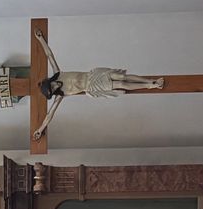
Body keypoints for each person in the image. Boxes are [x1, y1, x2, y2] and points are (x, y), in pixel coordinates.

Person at [31, 29, 163, 141]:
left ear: (51, 80)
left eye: (52, 85)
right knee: (121, 84)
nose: (55, 87)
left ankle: (149, 80)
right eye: (53, 90)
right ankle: (151, 86)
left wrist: (40, 39)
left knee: (122, 76)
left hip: (93, 75)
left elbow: (49, 55)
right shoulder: (61, 95)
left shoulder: (58, 73)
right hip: (92, 87)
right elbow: (50, 114)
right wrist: (40, 129)